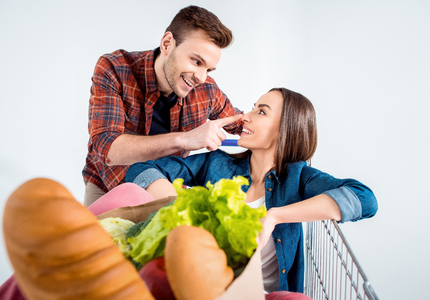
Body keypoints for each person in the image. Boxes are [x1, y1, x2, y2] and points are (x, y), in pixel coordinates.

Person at [124, 87, 379, 293]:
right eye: (253, 107)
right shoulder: (216, 164)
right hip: (206, 288)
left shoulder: (298, 178)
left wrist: (275, 216)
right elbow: (140, 170)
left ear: (284, 130)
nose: (245, 115)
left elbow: (365, 199)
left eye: (261, 112)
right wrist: (179, 208)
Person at [82, 5, 243, 206]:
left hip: (161, 188)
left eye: (209, 70)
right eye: (196, 61)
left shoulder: (207, 90)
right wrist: (185, 140)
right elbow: (108, 150)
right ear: (167, 44)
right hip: (109, 184)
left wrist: (281, 125)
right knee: (94, 237)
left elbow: (241, 122)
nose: (201, 78)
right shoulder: (115, 68)